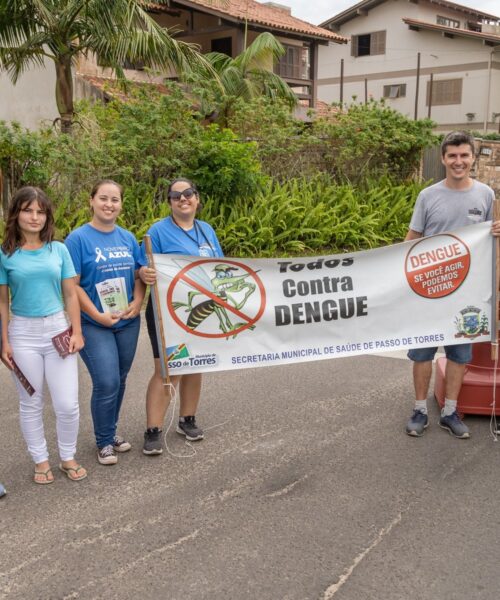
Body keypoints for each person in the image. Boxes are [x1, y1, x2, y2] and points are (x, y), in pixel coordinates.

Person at [405, 131, 500, 439]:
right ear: (444, 159)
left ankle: (450, 411)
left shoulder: (486, 195)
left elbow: (489, 243)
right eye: (452, 156)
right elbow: (411, 241)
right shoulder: (427, 196)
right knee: (422, 354)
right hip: (429, 292)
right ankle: (420, 409)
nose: (459, 161)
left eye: (464, 155)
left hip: (468, 294)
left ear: (472, 157)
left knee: (460, 355)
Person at [0, 186, 86, 484]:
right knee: (30, 402)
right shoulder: (5, 254)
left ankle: (67, 456)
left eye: (40, 211)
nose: (34, 217)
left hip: (58, 331)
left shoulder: (58, 249)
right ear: (16, 214)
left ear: (47, 216)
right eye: (28, 210)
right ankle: (40, 460)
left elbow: (71, 295)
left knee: (67, 404)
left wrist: (76, 330)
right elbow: (2, 301)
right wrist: (5, 341)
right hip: (22, 333)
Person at [139, 178, 223, 455]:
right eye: (176, 196)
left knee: (195, 363)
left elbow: (218, 266)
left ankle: (187, 419)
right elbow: (143, 268)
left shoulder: (207, 230)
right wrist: (143, 273)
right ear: (170, 202)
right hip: (168, 312)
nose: (182, 199)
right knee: (169, 369)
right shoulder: (158, 232)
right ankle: (153, 430)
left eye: (188, 194)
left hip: (203, 308)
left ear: (197, 198)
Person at [65, 180, 145, 465]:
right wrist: (97, 315)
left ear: (121, 204)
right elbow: (72, 285)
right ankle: (103, 443)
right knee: (106, 380)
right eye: (103, 198)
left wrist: (138, 302)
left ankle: (110, 434)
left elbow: (139, 275)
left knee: (120, 379)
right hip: (94, 322)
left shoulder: (127, 237)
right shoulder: (77, 239)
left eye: (115, 200)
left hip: (127, 321)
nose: (109, 204)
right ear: (91, 201)